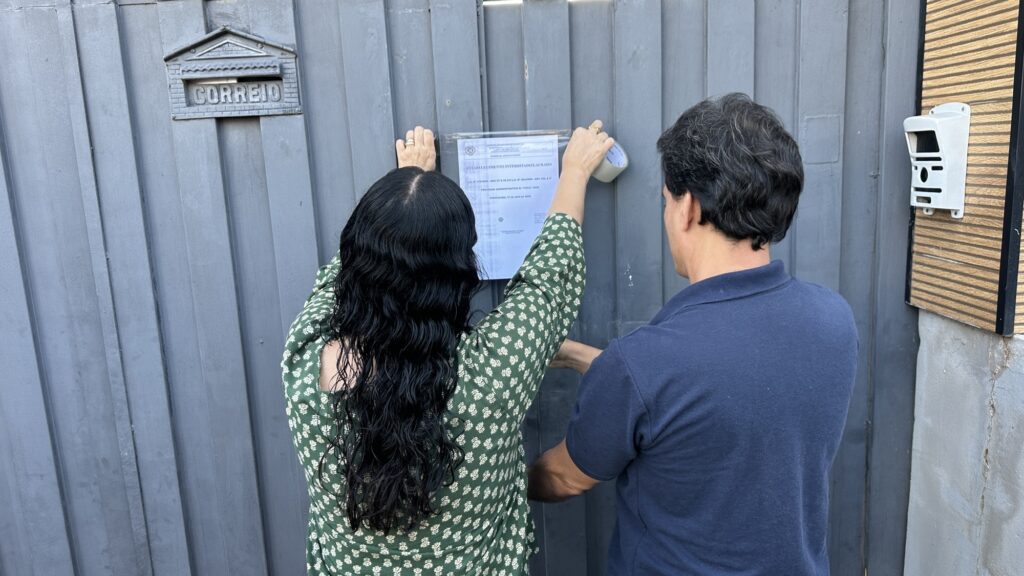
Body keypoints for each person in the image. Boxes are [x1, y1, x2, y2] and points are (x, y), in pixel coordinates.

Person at [528, 93, 858, 575]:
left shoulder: (644, 365)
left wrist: (493, 486)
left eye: (665, 201)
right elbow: (718, 391)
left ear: (687, 208)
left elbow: (564, 477)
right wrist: (587, 358)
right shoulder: (835, 320)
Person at [282, 122, 615, 575]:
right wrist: (575, 172)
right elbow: (550, 281)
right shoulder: (493, 370)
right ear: (458, 272)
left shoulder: (303, 359)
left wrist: (405, 197)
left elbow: (342, 276)